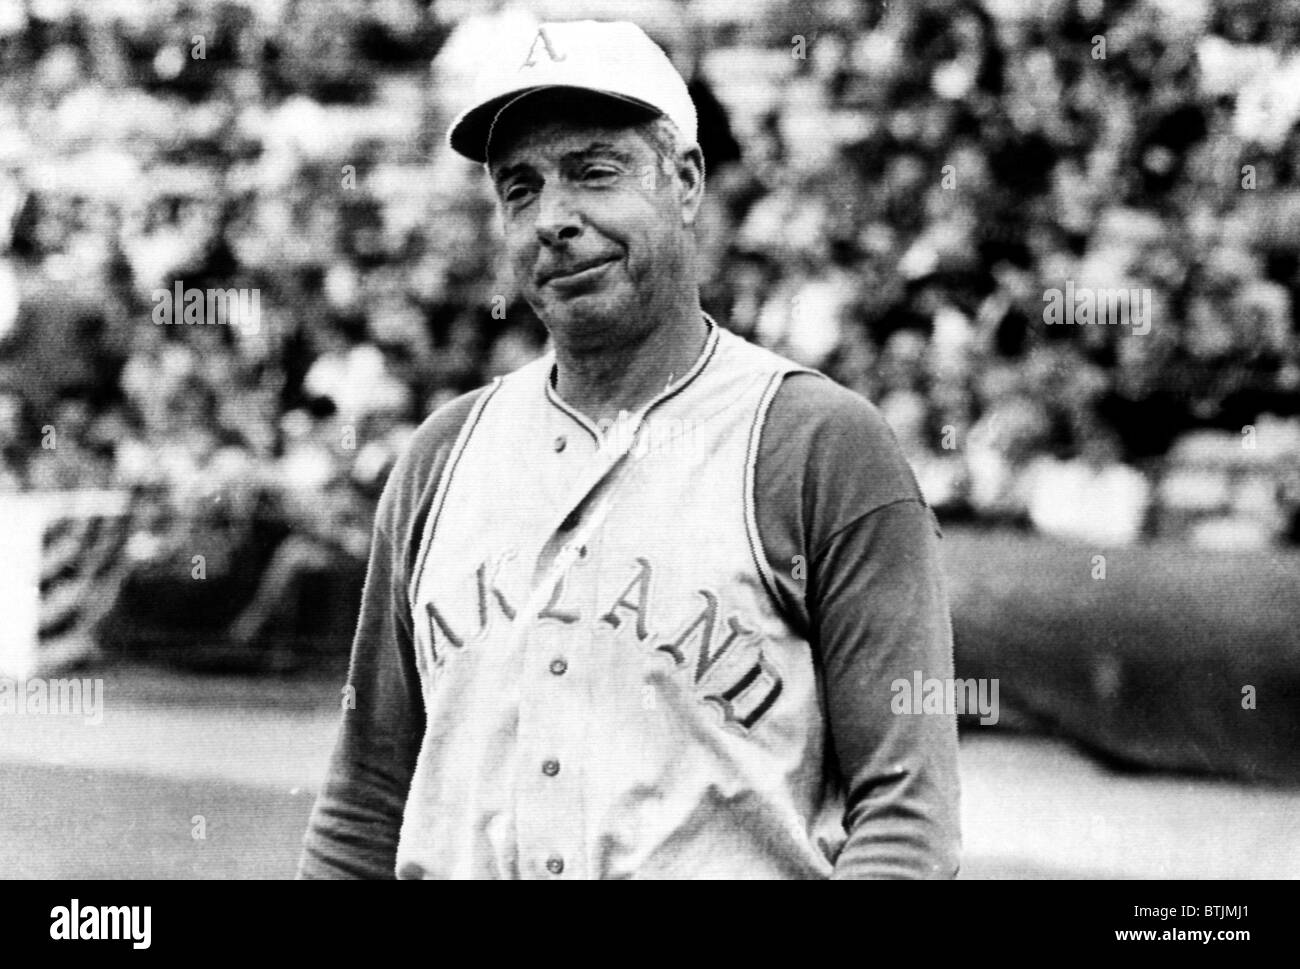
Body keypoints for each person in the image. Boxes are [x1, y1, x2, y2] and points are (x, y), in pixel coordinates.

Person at [298, 19, 959, 879]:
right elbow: (363, 806)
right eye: (520, 188)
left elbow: (907, 819)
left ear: (684, 180)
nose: (554, 220)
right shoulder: (441, 457)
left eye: (594, 173)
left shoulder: (818, 444)